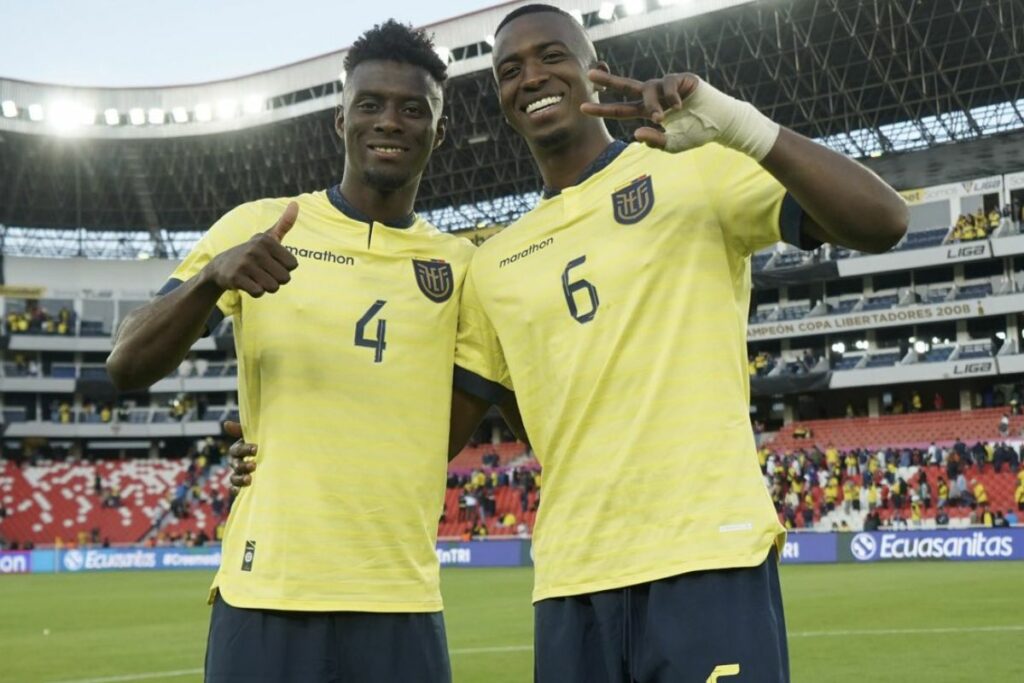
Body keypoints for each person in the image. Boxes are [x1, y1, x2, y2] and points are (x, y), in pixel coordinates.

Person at [448, 5, 907, 681]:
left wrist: (744, 128)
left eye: (552, 55)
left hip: (707, 558)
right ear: (501, 98)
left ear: (591, 68)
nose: (531, 76)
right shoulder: (492, 264)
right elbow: (462, 431)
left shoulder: (695, 168)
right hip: (572, 581)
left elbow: (884, 221)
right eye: (509, 69)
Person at [106, 21, 508, 683]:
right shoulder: (256, 224)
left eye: (414, 109)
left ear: (438, 129)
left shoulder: (461, 267)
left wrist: (305, 443)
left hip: (399, 599)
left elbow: (431, 440)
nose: (390, 121)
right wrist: (210, 280)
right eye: (370, 103)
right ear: (339, 119)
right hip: (266, 591)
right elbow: (125, 364)